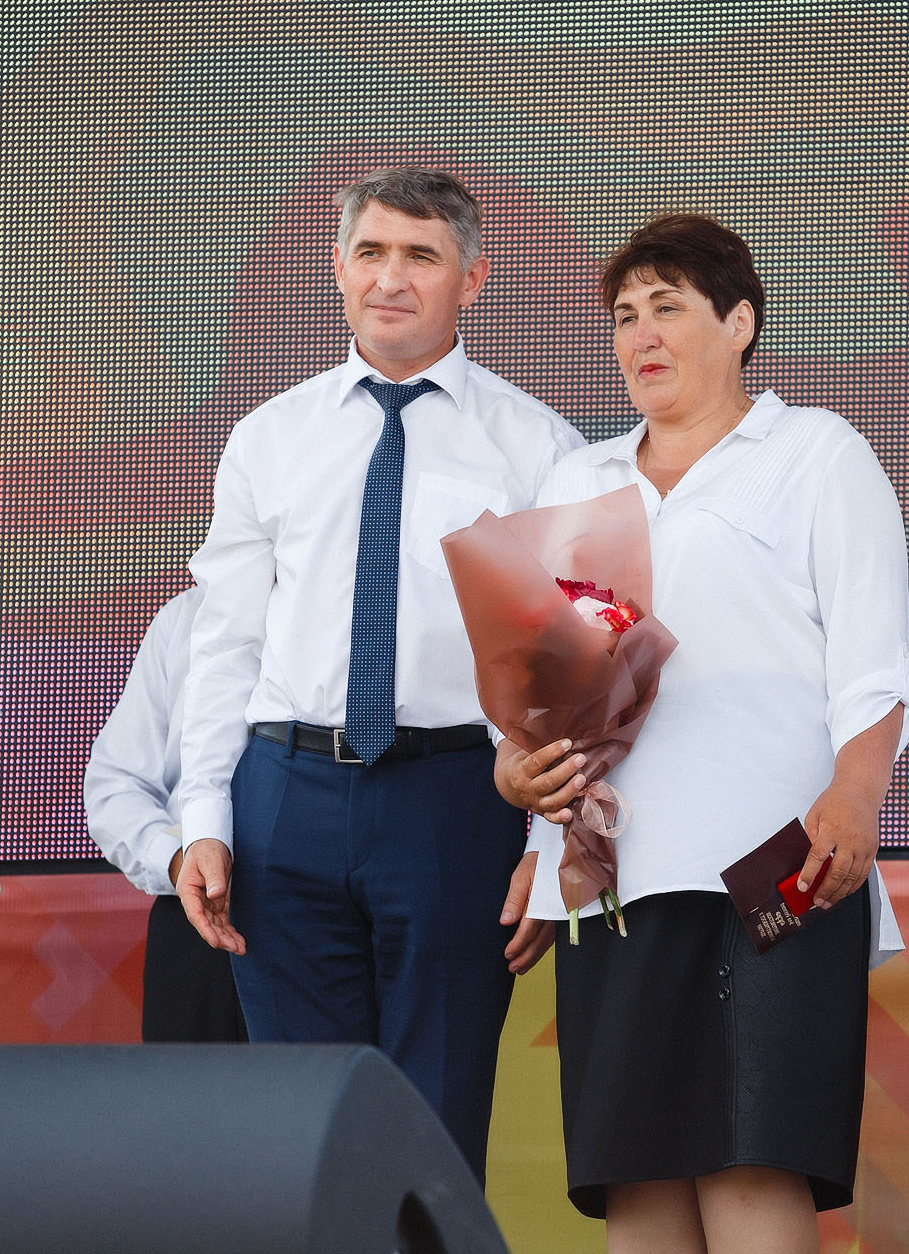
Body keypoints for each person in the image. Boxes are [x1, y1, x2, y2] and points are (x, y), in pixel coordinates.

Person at [500, 213, 909, 1252]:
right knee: (638, 1184)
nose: (640, 334)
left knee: (752, 1163)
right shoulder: (578, 481)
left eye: (667, 307)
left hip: (777, 866)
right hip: (616, 876)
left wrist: (856, 793)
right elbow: (548, 701)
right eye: (624, 315)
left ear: (740, 323)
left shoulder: (817, 452)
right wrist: (529, 806)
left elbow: (872, 666)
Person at [175, 166, 584, 1182]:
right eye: (371, 252)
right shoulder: (269, 437)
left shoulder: (538, 446)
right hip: (285, 799)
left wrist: (550, 843)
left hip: (456, 801)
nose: (390, 278)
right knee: (305, 1130)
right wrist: (204, 819)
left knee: (433, 1126)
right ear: (338, 267)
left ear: (472, 279)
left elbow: (564, 674)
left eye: (420, 256)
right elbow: (224, 643)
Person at [83, 588, 246, 1042]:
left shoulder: (355, 611)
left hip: (325, 916)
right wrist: (178, 862)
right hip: (194, 922)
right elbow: (115, 785)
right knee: (187, 1090)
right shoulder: (185, 619)